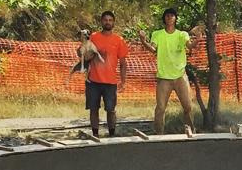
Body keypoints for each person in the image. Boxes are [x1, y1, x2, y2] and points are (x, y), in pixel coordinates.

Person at [138, 8, 201, 136]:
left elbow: (189, 46)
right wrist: (144, 41)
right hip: (164, 78)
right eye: (167, 16)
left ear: (176, 19)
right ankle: (159, 134)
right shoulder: (157, 34)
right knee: (160, 108)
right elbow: (152, 48)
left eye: (172, 15)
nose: (170, 18)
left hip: (180, 76)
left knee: (188, 106)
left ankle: (190, 131)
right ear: (164, 19)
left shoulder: (182, 34)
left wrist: (198, 38)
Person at [83, 11, 128, 138]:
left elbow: (123, 63)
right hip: (93, 81)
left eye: (110, 20)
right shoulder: (93, 37)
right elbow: (85, 55)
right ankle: (95, 134)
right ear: (101, 21)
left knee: (111, 109)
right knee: (93, 109)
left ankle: (112, 134)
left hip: (110, 82)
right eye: (105, 20)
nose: (107, 22)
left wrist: (123, 81)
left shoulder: (119, 40)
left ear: (113, 22)